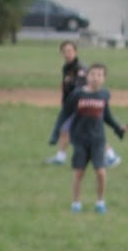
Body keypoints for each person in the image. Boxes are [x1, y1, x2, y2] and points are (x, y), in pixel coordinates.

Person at [49, 62, 125, 213]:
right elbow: (64, 113)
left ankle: (100, 202)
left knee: (100, 172)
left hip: (98, 139)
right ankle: (76, 203)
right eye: (92, 74)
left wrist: (119, 128)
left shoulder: (104, 95)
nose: (95, 78)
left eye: (99, 75)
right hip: (79, 139)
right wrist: (55, 133)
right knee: (79, 172)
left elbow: (107, 117)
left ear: (104, 78)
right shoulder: (77, 94)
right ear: (87, 76)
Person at [47, 40, 121, 170]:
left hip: (81, 106)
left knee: (86, 132)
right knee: (67, 129)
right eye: (64, 51)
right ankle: (61, 157)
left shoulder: (80, 69)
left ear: (75, 51)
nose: (67, 53)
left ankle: (111, 155)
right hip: (71, 105)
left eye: (70, 51)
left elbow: (84, 88)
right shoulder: (67, 67)